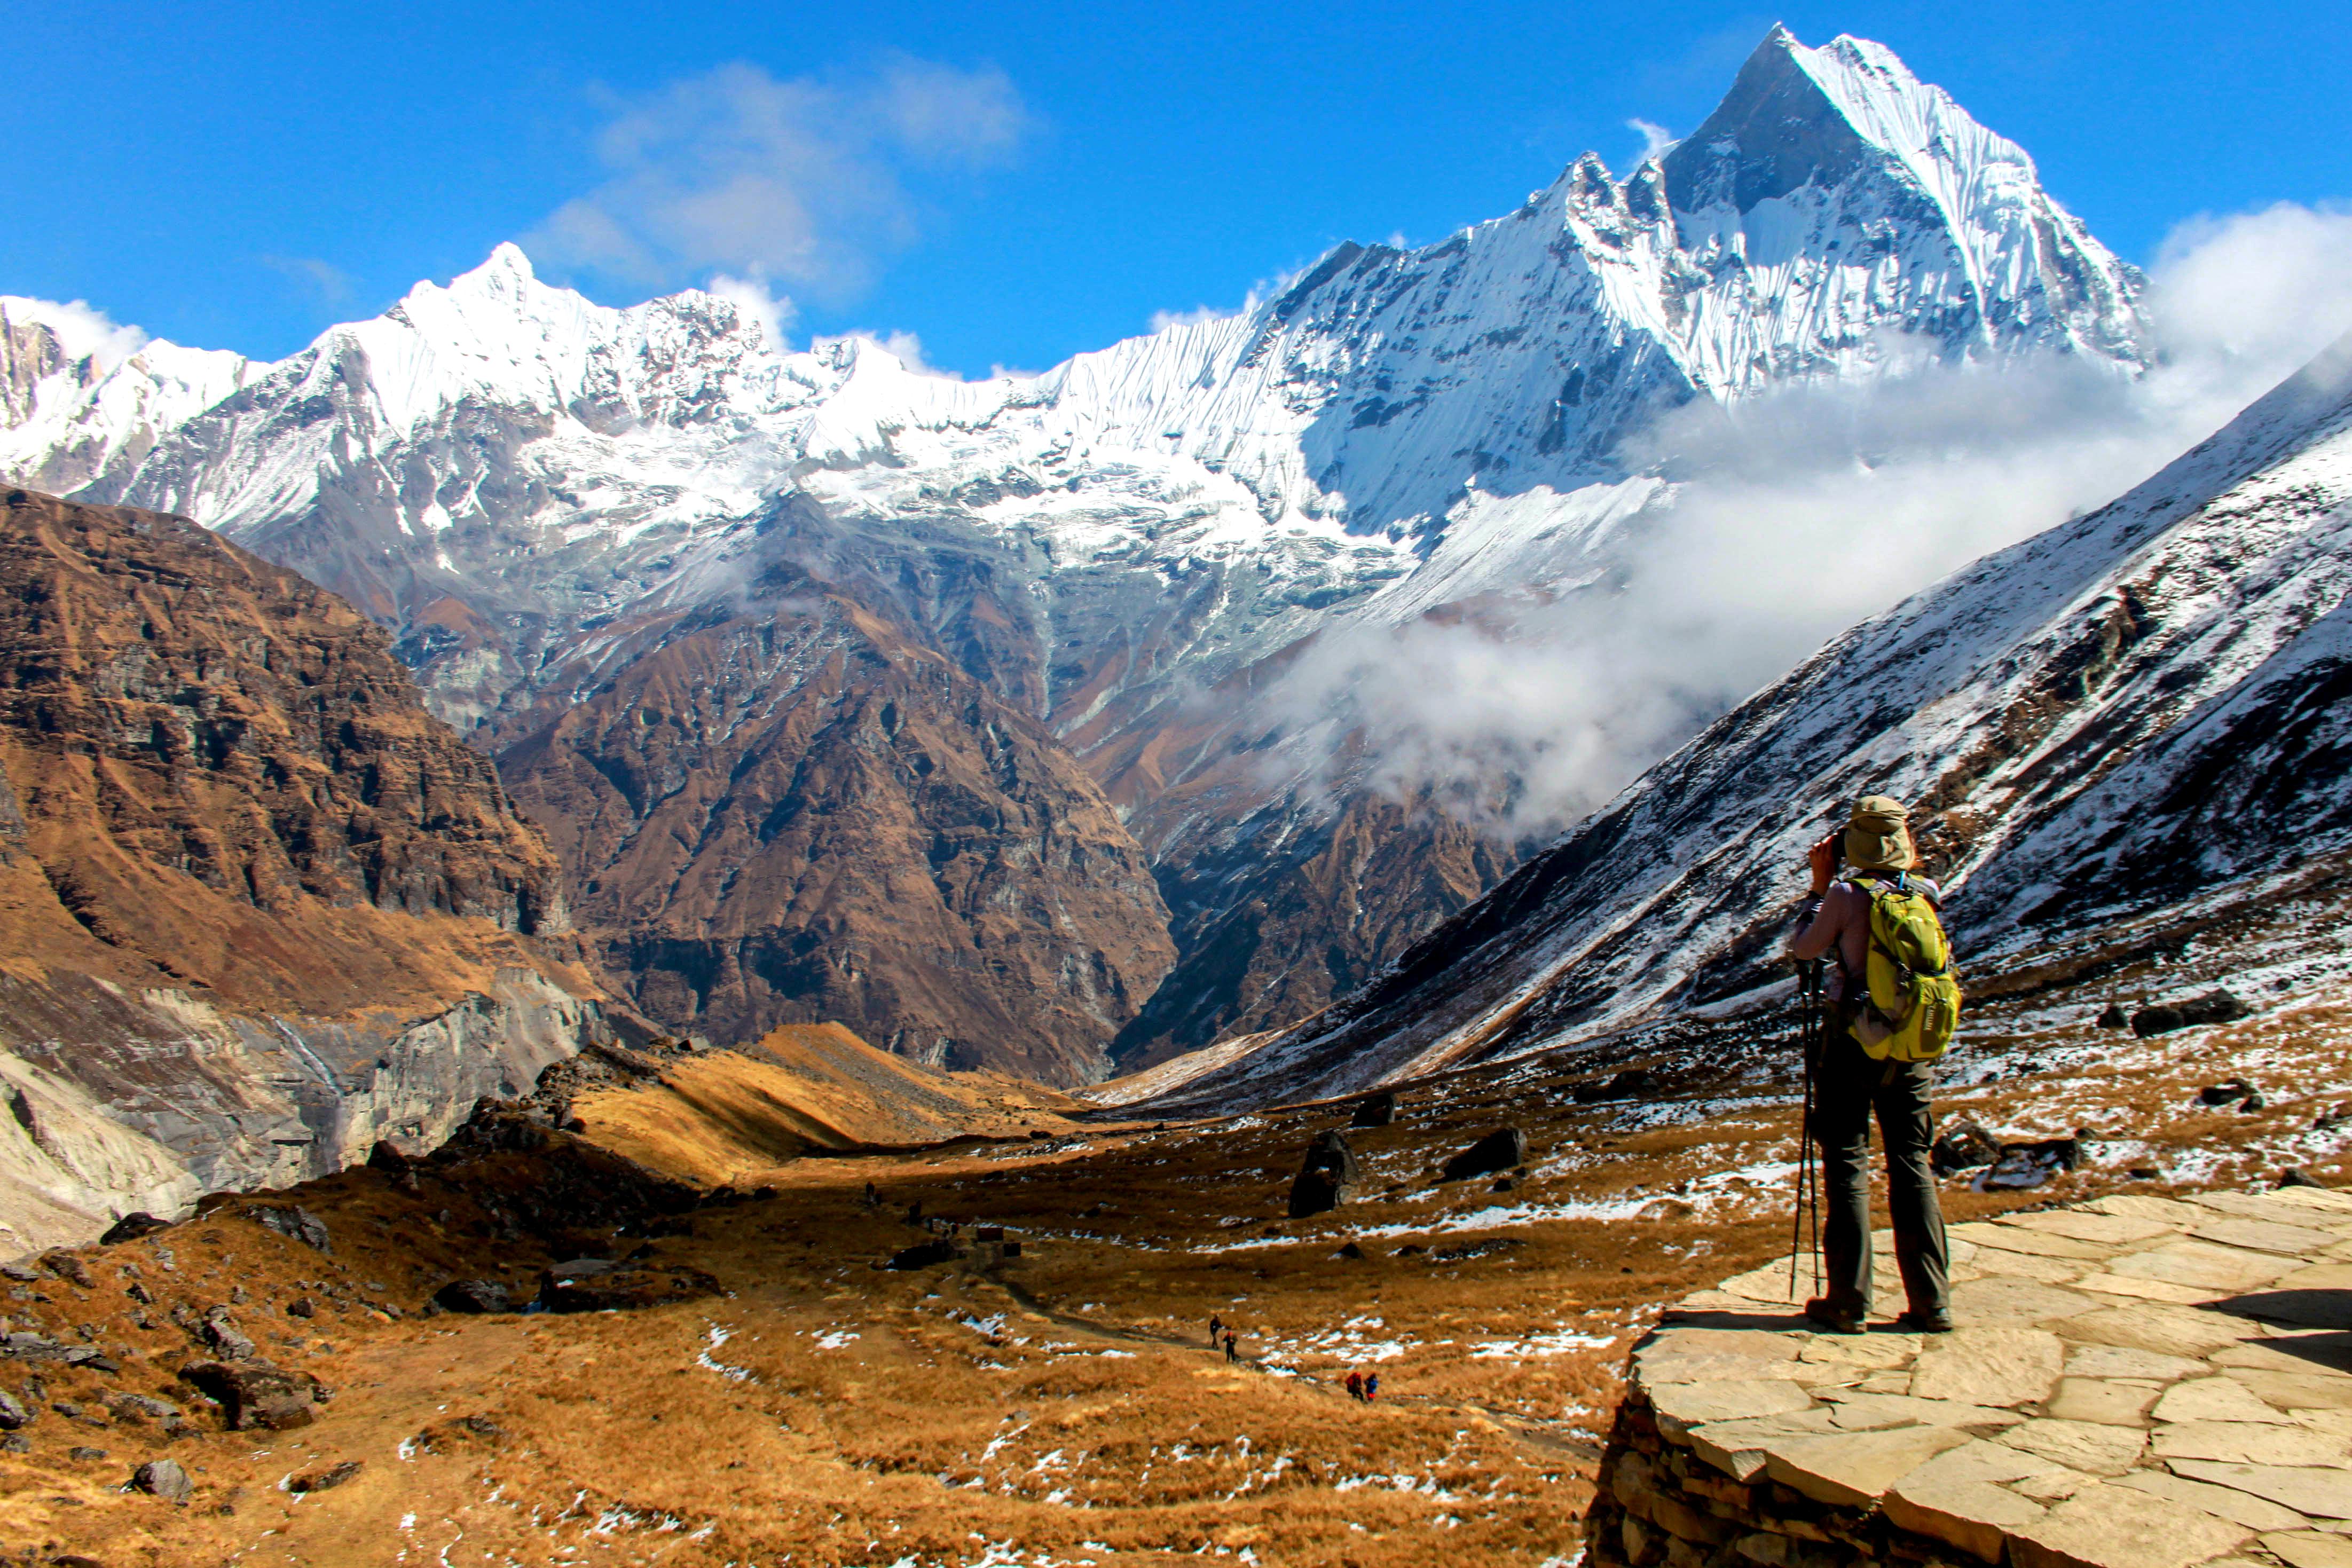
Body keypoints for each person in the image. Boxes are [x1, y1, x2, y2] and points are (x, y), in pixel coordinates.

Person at [1787, 795, 1954, 1336]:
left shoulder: (1843, 894)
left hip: (1853, 1042)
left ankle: (1849, 1301)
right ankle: (1932, 1303)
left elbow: (1805, 950)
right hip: (1910, 1046)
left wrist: (1818, 888)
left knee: (1848, 1164)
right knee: (1911, 1163)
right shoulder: (1924, 893)